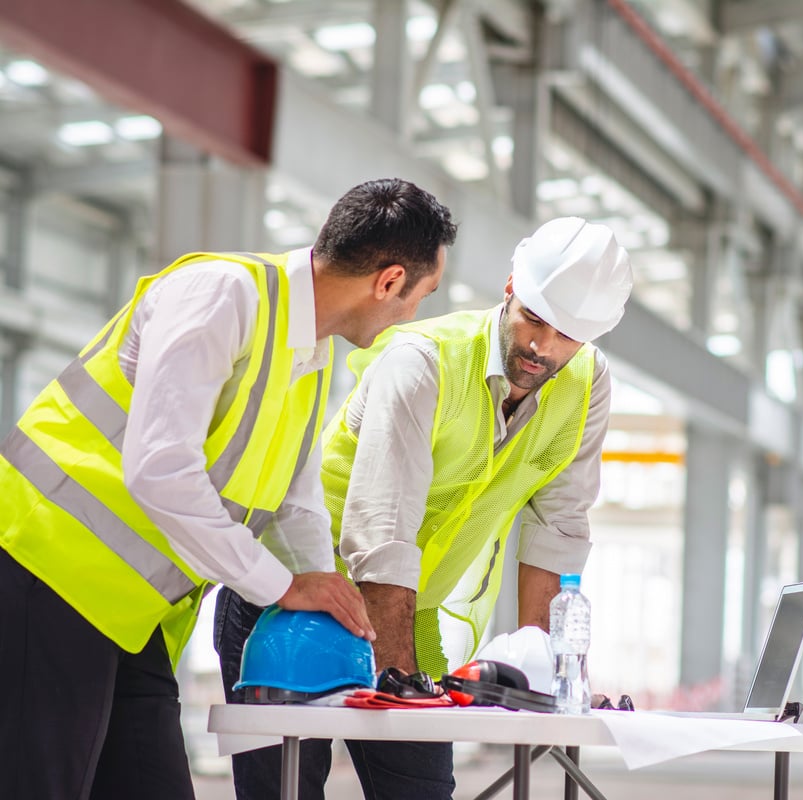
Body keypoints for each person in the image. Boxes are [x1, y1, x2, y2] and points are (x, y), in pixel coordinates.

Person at [0, 177, 457, 800]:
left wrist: (323, 588)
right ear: (389, 280)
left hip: (131, 611)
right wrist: (283, 586)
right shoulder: (221, 294)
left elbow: (293, 499)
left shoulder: (310, 353)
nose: (412, 315)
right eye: (420, 296)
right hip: (47, 569)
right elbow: (160, 469)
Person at [220, 216, 633, 799]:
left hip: (411, 608)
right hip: (298, 597)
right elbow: (382, 533)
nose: (543, 347)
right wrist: (398, 679)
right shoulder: (423, 361)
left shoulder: (587, 385)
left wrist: (545, 674)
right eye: (534, 320)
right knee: (287, 790)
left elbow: (557, 527)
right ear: (510, 287)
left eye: (567, 336)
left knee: (421, 790)